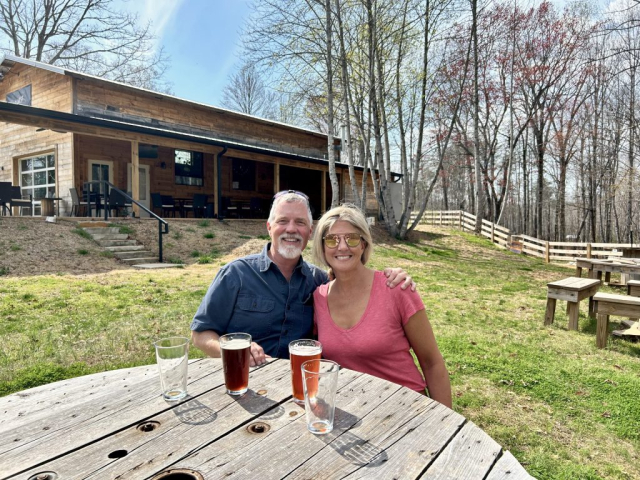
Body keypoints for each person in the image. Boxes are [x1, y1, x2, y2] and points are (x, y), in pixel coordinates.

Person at [190, 190, 413, 367]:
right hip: (243, 383)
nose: (291, 229)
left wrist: (392, 275)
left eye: (300, 222)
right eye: (282, 221)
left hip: (298, 389)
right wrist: (231, 350)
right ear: (269, 227)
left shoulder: (319, 282)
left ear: (310, 231)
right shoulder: (236, 274)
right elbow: (200, 333)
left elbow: (354, 275)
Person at [311, 204, 452, 408]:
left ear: (364, 245)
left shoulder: (396, 288)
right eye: (332, 240)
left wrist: (446, 424)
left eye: (351, 238)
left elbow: (432, 362)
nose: (342, 247)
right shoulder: (318, 298)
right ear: (322, 248)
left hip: (408, 408)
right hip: (353, 412)